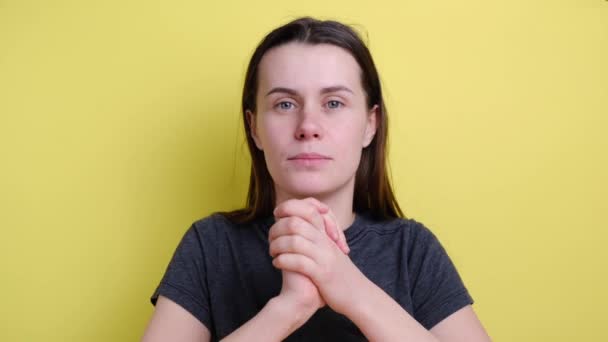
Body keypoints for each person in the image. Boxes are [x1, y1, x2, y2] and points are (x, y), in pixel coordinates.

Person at [141, 17, 491, 341]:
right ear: (255, 128)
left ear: (370, 124)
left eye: (334, 103)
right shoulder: (211, 245)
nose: (308, 127)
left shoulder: (412, 249)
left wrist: (350, 287)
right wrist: (288, 308)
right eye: (285, 105)